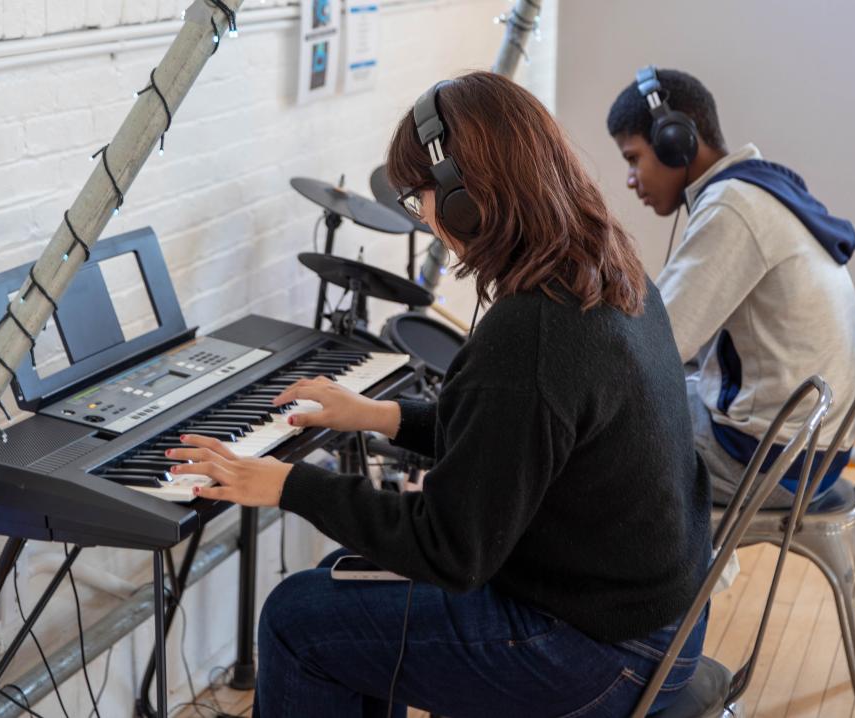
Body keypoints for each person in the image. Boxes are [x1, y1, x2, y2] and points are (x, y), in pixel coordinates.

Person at [170, 71, 711, 717]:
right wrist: (381, 416)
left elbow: (451, 551)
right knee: (337, 576)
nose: (423, 218)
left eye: (420, 197)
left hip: (600, 653)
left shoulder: (532, 329)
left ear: (464, 198)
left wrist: (286, 485)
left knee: (296, 619)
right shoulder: (604, 270)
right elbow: (516, 439)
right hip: (653, 619)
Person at [607, 67, 855, 508]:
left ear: (676, 140)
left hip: (769, 459)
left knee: (591, 446)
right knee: (624, 407)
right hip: (806, 441)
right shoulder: (756, 187)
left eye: (633, 158)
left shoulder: (733, 209)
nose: (631, 179)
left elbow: (653, 343)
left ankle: (683, 572)